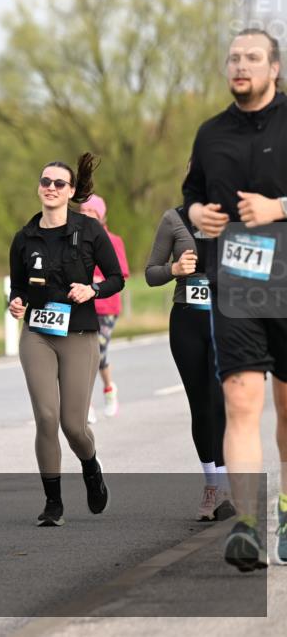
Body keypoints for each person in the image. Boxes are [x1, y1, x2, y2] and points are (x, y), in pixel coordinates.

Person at [182, 28, 287, 570]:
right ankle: (248, 526)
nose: (240, 65)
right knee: (241, 405)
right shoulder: (210, 133)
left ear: (274, 68)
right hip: (237, 287)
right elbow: (192, 193)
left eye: (252, 57)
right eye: (233, 57)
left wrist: (278, 208)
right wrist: (198, 215)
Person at [8, 153, 124, 527]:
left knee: (74, 425)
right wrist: (16, 303)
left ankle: (90, 467)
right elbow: (20, 287)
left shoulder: (89, 230)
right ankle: (53, 502)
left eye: (60, 183)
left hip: (78, 334)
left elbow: (117, 277)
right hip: (38, 334)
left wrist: (92, 290)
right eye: (46, 182)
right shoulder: (24, 237)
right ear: (38, 188)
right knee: (46, 416)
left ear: (71, 191)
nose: (51, 188)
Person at [145, 205, 234, 521]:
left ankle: (224, 487)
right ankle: (211, 483)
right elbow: (150, 273)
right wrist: (175, 270)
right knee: (200, 405)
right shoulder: (173, 219)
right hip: (187, 321)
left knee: (219, 399)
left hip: (227, 321)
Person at [78, 195, 129, 422]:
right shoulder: (74, 239)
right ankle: (86, 405)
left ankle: (109, 389)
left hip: (106, 307)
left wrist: (94, 282)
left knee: (97, 355)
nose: (87, 215)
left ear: (101, 216)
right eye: (84, 211)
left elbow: (121, 274)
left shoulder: (113, 240)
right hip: (81, 306)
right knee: (81, 357)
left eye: (92, 212)